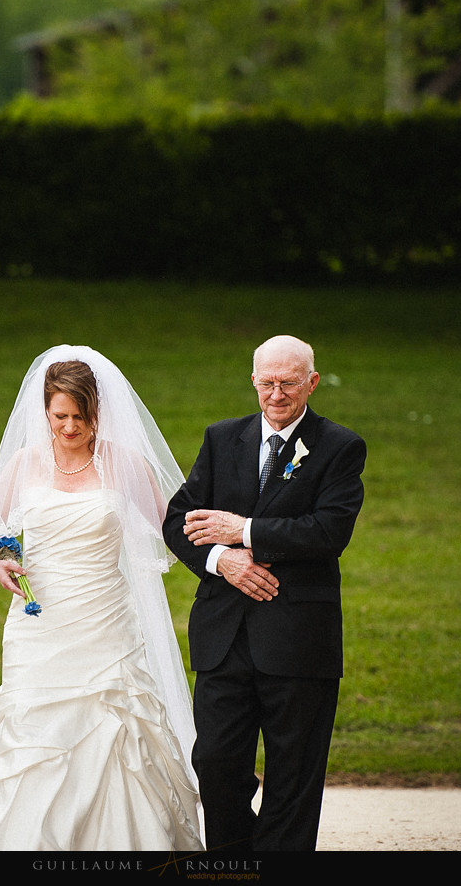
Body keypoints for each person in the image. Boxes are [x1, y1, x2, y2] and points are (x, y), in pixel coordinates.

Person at [0, 346, 203, 852]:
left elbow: (174, 527)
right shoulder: (25, 463)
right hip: (39, 623)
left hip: (106, 621)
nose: (69, 428)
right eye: (59, 417)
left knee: (114, 730)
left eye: (80, 417)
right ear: (45, 413)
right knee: (35, 731)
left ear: (98, 412)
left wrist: (230, 551)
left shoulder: (124, 463)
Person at [162, 335, 366, 852]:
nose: (277, 394)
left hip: (299, 639)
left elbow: (328, 532)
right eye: (267, 382)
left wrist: (244, 530)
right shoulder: (221, 438)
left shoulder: (340, 447)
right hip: (223, 635)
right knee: (215, 763)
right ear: (252, 380)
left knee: (294, 777)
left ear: (312, 383)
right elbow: (176, 521)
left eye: (289, 383)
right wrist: (220, 561)